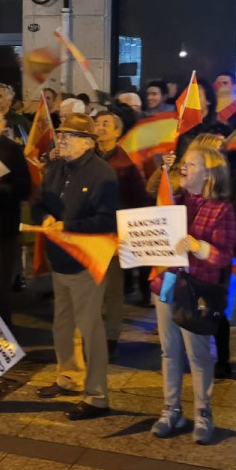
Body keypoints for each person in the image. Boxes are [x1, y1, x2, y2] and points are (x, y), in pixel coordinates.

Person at [32, 113, 119, 420]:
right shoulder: (56, 167)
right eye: (61, 134)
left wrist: (67, 226)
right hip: (60, 259)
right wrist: (45, 218)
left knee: (90, 328)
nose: (62, 139)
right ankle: (69, 377)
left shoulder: (103, 174)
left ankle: (97, 396)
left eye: (70, 135)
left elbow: (107, 220)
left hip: (86, 261)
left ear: (88, 142)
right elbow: (39, 203)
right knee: (63, 325)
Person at [146, 147, 234, 445]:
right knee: (169, 351)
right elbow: (153, 234)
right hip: (166, 284)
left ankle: (203, 412)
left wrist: (198, 247)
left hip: (196, 290)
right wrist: (133, 247)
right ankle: (171, 409)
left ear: (209, 174)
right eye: (184, 163)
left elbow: (224, 256)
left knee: (197, 355)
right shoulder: (174, 201)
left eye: (191, 164)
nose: (184, 167)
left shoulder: (221, 208)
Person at [95, 110, 149, 336]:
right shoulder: (86, 157)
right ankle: (92, 332)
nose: (99, 127)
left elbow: (139, 200)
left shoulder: (125, 163)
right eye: (97, 122)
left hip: (113, 233)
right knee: (90, 287)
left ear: (117, 132)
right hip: (88, 232)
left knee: (113, 288)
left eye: (105, 123)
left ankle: (111, 334)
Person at [0, 105, 32, 325]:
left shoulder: (13, 150)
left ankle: (3, 331)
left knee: (1, 283)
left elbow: (24, 188)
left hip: (5, 224)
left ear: (3, 125)